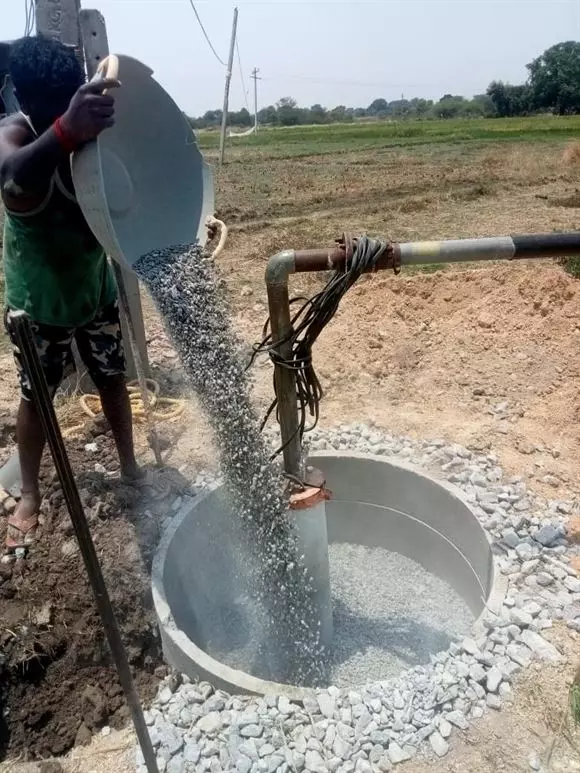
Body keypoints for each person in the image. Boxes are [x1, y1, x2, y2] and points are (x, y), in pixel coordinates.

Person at [0, 36, 141, 555]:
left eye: (69, 98)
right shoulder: (14, 135)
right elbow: (12, 176)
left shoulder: (91, 139)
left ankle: (130, 467)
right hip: (39, 302)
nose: (62, 109)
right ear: (25, 98)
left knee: (111, 377)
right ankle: (31, 494)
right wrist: (64, 130)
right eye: (53, 104)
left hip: (93, 287)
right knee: (38, 397)